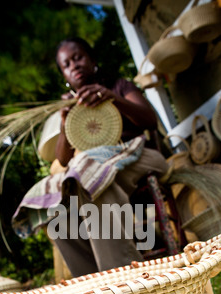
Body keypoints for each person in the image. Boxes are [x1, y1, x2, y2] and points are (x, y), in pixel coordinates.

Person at [12, 37, 168, 277]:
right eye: (67, 64)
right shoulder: (70, 109)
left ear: (92, 60)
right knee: (59, 206)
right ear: (64, 75)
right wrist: (65, 125)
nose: (74, 65)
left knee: (94, 183)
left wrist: (112, 98)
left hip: (140, 156)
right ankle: (95, 287)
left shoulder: (119, 86)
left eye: (78, 57)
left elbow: (149, 121)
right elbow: (63, 160)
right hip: (94, 168)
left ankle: (125, 281)